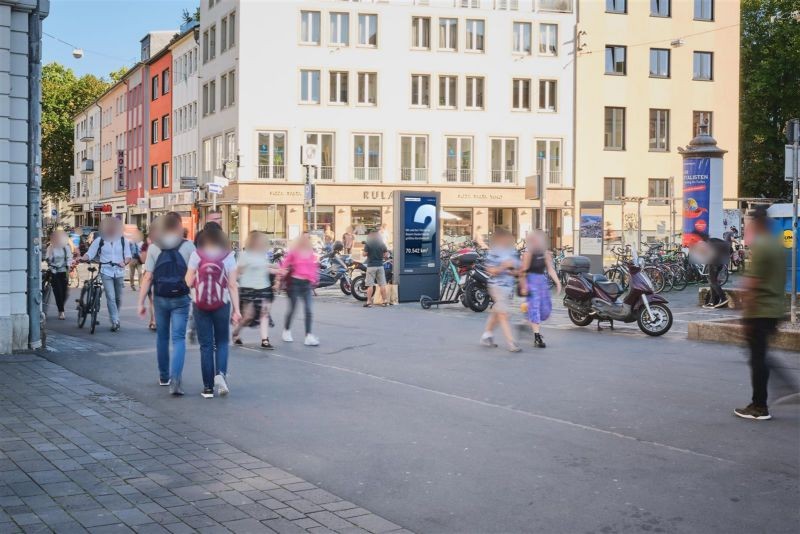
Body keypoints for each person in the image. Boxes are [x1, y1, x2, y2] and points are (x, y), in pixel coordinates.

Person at [734, 207, 792, 421]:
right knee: (761, 355)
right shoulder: (778, 246)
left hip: (760, 310)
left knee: (758, 358)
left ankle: (759, 406)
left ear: (757, 222)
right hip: (775, 308)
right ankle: (788, 387)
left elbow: (752, 283)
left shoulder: (762, 247)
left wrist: (746, 314)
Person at [138, 212, 195, 395]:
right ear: (179, 226)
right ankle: (176, 378)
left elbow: (148, 277)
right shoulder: (188, 246)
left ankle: (164, 376)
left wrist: (141, 302)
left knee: (162, 337)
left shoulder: (155, 247)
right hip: (181, 298)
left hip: (160, 298)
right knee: (178, 339)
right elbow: (195, 275)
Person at [186, 227, 241, 398]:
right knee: (222, 342)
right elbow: (232, 285)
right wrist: (237, 310)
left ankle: (208, 388)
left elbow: (188, 280)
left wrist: (197, 281)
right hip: (222, 304)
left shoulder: (197, 255)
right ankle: (221, 375)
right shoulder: (228, 256)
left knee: (206, 346)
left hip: (200, 304)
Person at [82, 217, 131, 332]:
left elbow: (128, 256)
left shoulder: (124, 241)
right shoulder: (100, 240)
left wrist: (124, 262)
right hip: (106, 270)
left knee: (118, 298)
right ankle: (115, 321)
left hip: (119, 272)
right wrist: (81, 258)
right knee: (111, 296)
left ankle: (115, 316)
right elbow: (90, 254)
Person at [232, 231, 277, 349]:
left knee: (264, 313)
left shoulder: (262, 255)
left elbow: (265, 268)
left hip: (264, 288)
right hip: (248, 289)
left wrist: (278, 270)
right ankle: (236, 332)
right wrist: (233, 283)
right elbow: (238, 271)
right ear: (253, 242)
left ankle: (265, 339)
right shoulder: (244, 255)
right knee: (248, 316)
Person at [480, 227, 521, 352]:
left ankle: (487, 335)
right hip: (497, 286)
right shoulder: (494, 252)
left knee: (497, 312)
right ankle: (511, 343)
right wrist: (503, 267)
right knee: (503, 314)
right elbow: (489, 270)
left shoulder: (512, 252)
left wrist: (513, 270)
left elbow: (518, 271)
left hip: (509, 287)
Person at [519, 231, 561, 348]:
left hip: (542, 282)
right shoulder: (528, 254)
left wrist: (558, 282)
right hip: (531, 281)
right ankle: (537, 337)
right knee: (534, 307)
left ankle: (526, 322)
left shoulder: (545, 253)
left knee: (545, 309)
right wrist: (523, 285)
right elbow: (523, 271)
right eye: (535, 239)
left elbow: (550, 269)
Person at [279, 233, 319, 346]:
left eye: (308, 238)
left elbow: (313, 268)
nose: (306, 240)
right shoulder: (294, 252)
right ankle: (286, 330)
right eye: (304, 238)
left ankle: (308, 336)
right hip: (295, 284)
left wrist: (314, 281)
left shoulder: (311, 253)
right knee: (293, 308)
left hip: (306, 285)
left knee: (308, 310)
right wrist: (280, 276)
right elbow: (284, 264)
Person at [46, 229, 73, 320]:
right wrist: (50, 259)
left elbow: (69, 258)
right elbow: (48, 258)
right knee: (58, 292)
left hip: (63, 271)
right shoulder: (50, 248)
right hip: (54, 271)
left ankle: (61, 306)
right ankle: (61, 311)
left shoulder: (66, 247)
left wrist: (69, 265)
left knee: (65, 292)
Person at [362, 228, 388, 308]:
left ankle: (369, 302)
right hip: (380, 265)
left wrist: (364, 252)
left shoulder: (368, 243)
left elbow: (364, 254)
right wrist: (381, 256)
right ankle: (385, 301)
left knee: (370, 285)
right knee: (382, 285)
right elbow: (386, 255)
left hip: (371, 266)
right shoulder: (382, 243)